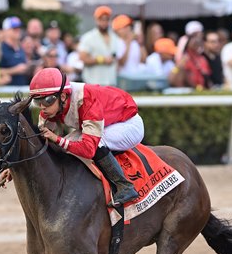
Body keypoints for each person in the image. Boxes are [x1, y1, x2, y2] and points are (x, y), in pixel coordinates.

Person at [17, 67, 143, 206]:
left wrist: (57, 139)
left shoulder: (87, 101)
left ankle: (124, 186)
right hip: (106, 121)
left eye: (47, 101)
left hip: (127, 123)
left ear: (63, 96)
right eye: (37, 101)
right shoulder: (52, 105)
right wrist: (17, 166)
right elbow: (40, 143)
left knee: (95, 142)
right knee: (66, 146)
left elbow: (89, 149)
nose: (42, 107)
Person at [78, 5, 119, 85]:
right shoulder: (88, 37)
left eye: (106, 19)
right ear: (96, 20)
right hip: (93, 84)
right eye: (101, 19)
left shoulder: (115, 38)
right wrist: (102, 60)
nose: (104, 22)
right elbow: (82, 57)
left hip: (111, 83)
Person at [0, 16, 29, 86]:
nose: (18, 30)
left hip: (21, 89)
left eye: (19, 28)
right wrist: (14, 70)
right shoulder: (0, 48)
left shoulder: (20, 48)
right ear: (6, 31)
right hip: (5, 91)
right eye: (14, 29)